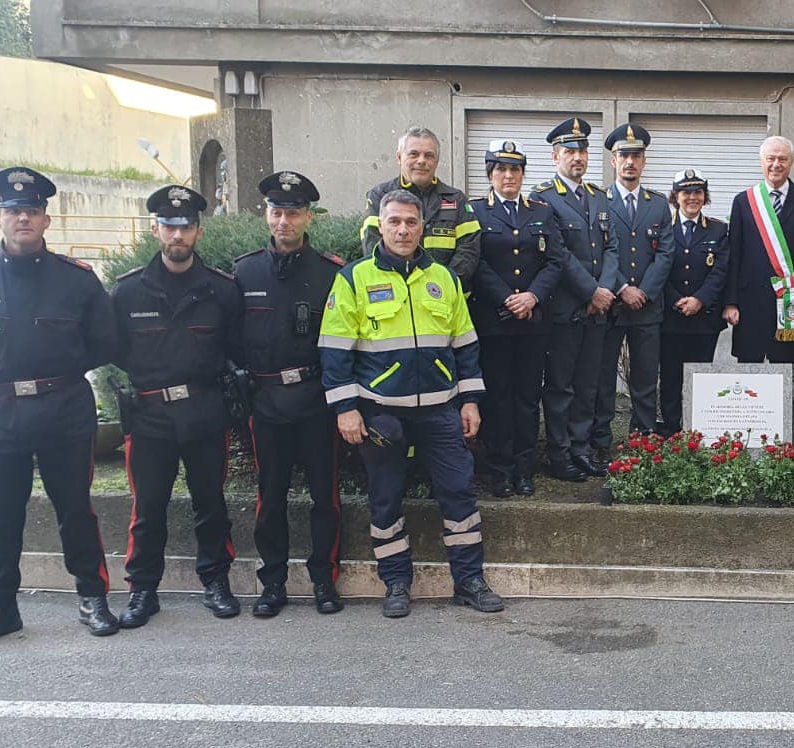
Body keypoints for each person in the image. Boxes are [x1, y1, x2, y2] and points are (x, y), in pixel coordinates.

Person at [0, 167, 119, 649]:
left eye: (32, 211)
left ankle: (93, 597)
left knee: (76, 510)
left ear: (46, 221)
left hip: (62, 412)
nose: (23, 220)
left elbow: (103, 340)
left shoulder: (76, 280)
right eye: (13, 212)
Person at [319, 189, 503, 618]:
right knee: (385, 499)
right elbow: (334, 350)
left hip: (441, 410)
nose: (403, 230)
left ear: (423, 227)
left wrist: (470, 401)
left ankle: (469, 581)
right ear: (379, 226)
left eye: (411, 222)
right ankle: (397, 583)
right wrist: (346, 409)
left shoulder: (445, 279)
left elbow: (465, 345)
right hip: (382, 412)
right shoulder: (354, 278)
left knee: (459, 493)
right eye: (394, 222)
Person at [110, 185, 244, 628]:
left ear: (198, 232)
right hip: (150, 415)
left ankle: (216, 581)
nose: (177, 235)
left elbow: (235, 347)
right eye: (169, 226)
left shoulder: (221, 290)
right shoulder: (129, 292)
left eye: (185, 227)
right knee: (148, 507)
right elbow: (115, 349)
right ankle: (143, 590)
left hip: (205, 410)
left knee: (211, 502)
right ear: (155, 230)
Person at [231, 171, 345, 617]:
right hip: (267, 403)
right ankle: (272, 582)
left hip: (316, 400)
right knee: (270, 495)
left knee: (324, 496)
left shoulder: (331, 274)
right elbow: (232, 339)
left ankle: (323, 580)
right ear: (267, 215)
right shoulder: (244, 272)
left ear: (308, 217)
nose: (284, 221)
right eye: (277, 212)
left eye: (293, 213)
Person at [471, 139, 564, 497]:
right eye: (500, 169)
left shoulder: (541, 211)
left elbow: (555, 260)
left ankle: (523, 469)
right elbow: (475, 261)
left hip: (532, 322)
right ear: (490, 174)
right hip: (495, 321)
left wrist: (532, 296)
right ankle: (499, 470)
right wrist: (507, 298)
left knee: (527, 398)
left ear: (523, 174)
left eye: (514, 169)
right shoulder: (476, 211)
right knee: (497, 396)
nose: (508, 175)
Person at [531, 117, 615, 480]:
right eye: (569, 151)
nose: (577, 157)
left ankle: (581, 449)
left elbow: (611, 248)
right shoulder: (543, 198)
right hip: (565, 308)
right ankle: (559, 452)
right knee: (561, 385)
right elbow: (558, 254)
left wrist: (605, 291)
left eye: (582, 151)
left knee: (588, 383)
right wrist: (591, 291)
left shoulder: (598, 196)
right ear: (555, 156)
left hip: (597, 309)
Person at [594, 123, 673, 452]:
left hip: (647, 307)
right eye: (623, 155)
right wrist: (622, 287)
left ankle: (644, 442)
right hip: (610, 305)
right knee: (601, 382)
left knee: (644, 380)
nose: (630, 162)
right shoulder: (598, 200)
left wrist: (644, 292)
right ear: (613, 161)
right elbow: (596, 251)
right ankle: (600, 442)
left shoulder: (658, 204)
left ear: (643, 161)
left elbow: (666, 253)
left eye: (636, 156)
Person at [722, 136, 794, 363]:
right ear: (761, 161)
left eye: (782, 159)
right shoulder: (744, 201)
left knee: (783, 374)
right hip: (750, 304)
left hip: (791, 304)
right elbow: (734, 256)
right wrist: (730, 302)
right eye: (771, 158)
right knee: (750, 372)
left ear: (791, 162)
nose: (776, 164)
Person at [361, 126, 482, 288]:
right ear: (399, 157)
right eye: (414, 154)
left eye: (429, 155)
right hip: (394, 296)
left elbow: (469, 251)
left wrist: (443, 287)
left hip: (444, 297)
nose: (421, 160)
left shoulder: (456, 200)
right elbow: (372, 245)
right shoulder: (379, 196)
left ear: (437, 161)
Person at [657, 168, 730, 437]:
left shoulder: (719, 229)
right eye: (686, 192)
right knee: (671, 378)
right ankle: (671, 428)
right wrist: (676, 300)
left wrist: (699, 299)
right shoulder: (663, 229)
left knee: (701, 377)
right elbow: (658, 270)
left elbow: (721, 271)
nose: (692, 197)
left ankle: (698, 428)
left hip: (704, 319)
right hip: (671, 318)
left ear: (705, 196)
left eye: (697, 192)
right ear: (675, 196)